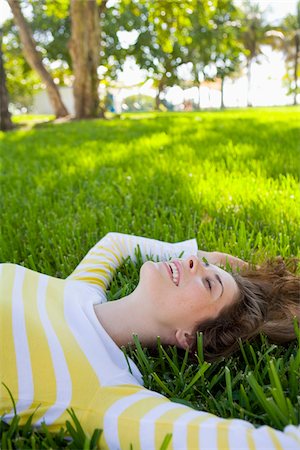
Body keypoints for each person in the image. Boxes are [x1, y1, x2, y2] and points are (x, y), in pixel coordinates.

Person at [0, 232, 299, 449]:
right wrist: (210, 256)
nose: (193, 262)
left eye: (209, 283)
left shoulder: (102, 391)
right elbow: (113, 244)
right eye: (201, 265)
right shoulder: (81, 290)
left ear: (189, 337)